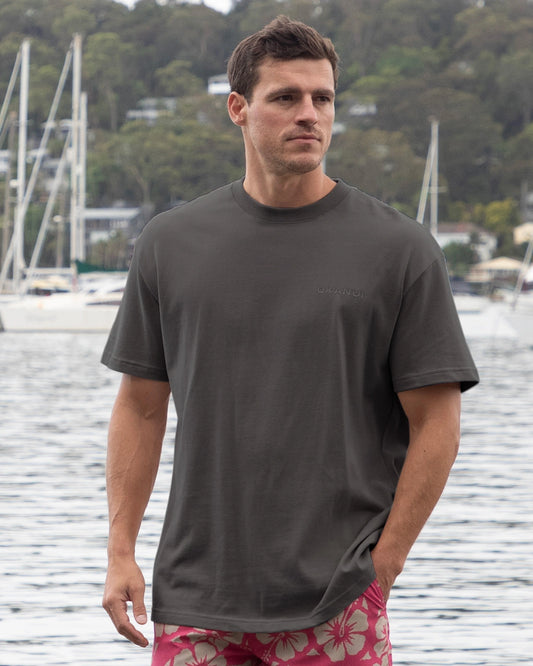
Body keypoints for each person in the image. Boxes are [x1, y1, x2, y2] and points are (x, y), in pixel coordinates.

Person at [101, 15, 479, 666]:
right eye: (285, 98)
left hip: (335, 602)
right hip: (194, 600)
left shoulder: (398, 249)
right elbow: (139, 406)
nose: (309, 114)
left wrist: (382, 567)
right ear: (238, 110)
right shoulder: (170, 243)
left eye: (322, 98)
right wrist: (120, 554)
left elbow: (438, 421)